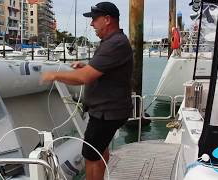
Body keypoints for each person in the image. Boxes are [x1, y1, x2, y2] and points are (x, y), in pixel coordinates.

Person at [40, 2, 133, 180]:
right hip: (110, 110)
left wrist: (52, 75)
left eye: (94, 19)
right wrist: (86, 66)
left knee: (90, 155)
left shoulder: (115, 43)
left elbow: (85, 78)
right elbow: (107, 69)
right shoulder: (113, 42)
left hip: (107, 112)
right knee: (100, 149)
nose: (91, 24)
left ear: (107, 20)